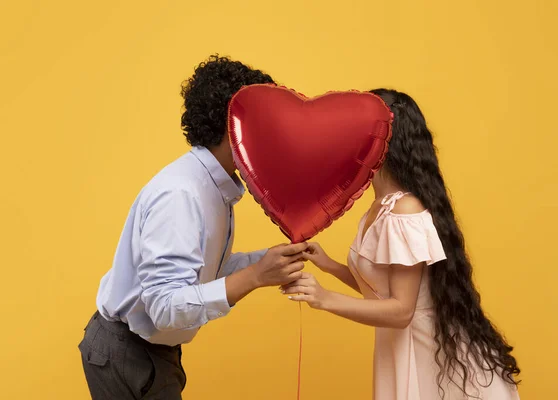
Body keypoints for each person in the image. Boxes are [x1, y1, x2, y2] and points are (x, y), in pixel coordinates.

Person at [78, 55, 308, 400]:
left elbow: (200, 271)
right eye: (266, 127)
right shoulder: (182, 195)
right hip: (126, 353)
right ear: (236, 129)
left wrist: (267, 262)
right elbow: (166, 306)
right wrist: (256, 276)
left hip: (149, 352)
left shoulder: (212, 187)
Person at [282, 89, 520, 400]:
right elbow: (381, 291)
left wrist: (324, 298)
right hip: (402, 347)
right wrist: (327, 265)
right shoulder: (381, 206)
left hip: (428, 358)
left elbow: (401, 311)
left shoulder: (403, 211)